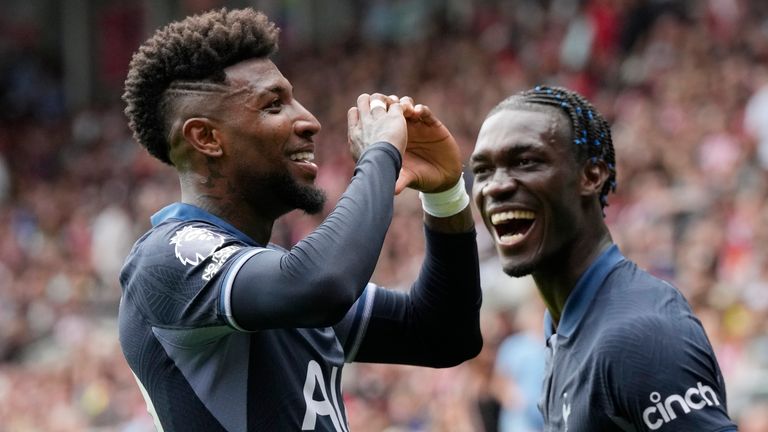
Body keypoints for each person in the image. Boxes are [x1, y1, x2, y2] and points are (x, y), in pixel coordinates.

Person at [118, 8, 482, 431]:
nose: (309, 121)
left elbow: (442, 334)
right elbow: (321, 284)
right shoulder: (169, 257)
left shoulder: (273, 282)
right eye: (274, 105)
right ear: (206, 137)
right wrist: (381, 154)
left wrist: (445, 195)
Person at [469, 85, 737, 431]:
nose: (495, 186)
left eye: (526, 161)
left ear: (591, 176)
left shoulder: (639, 334)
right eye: (482, 171)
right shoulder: (563, 328)